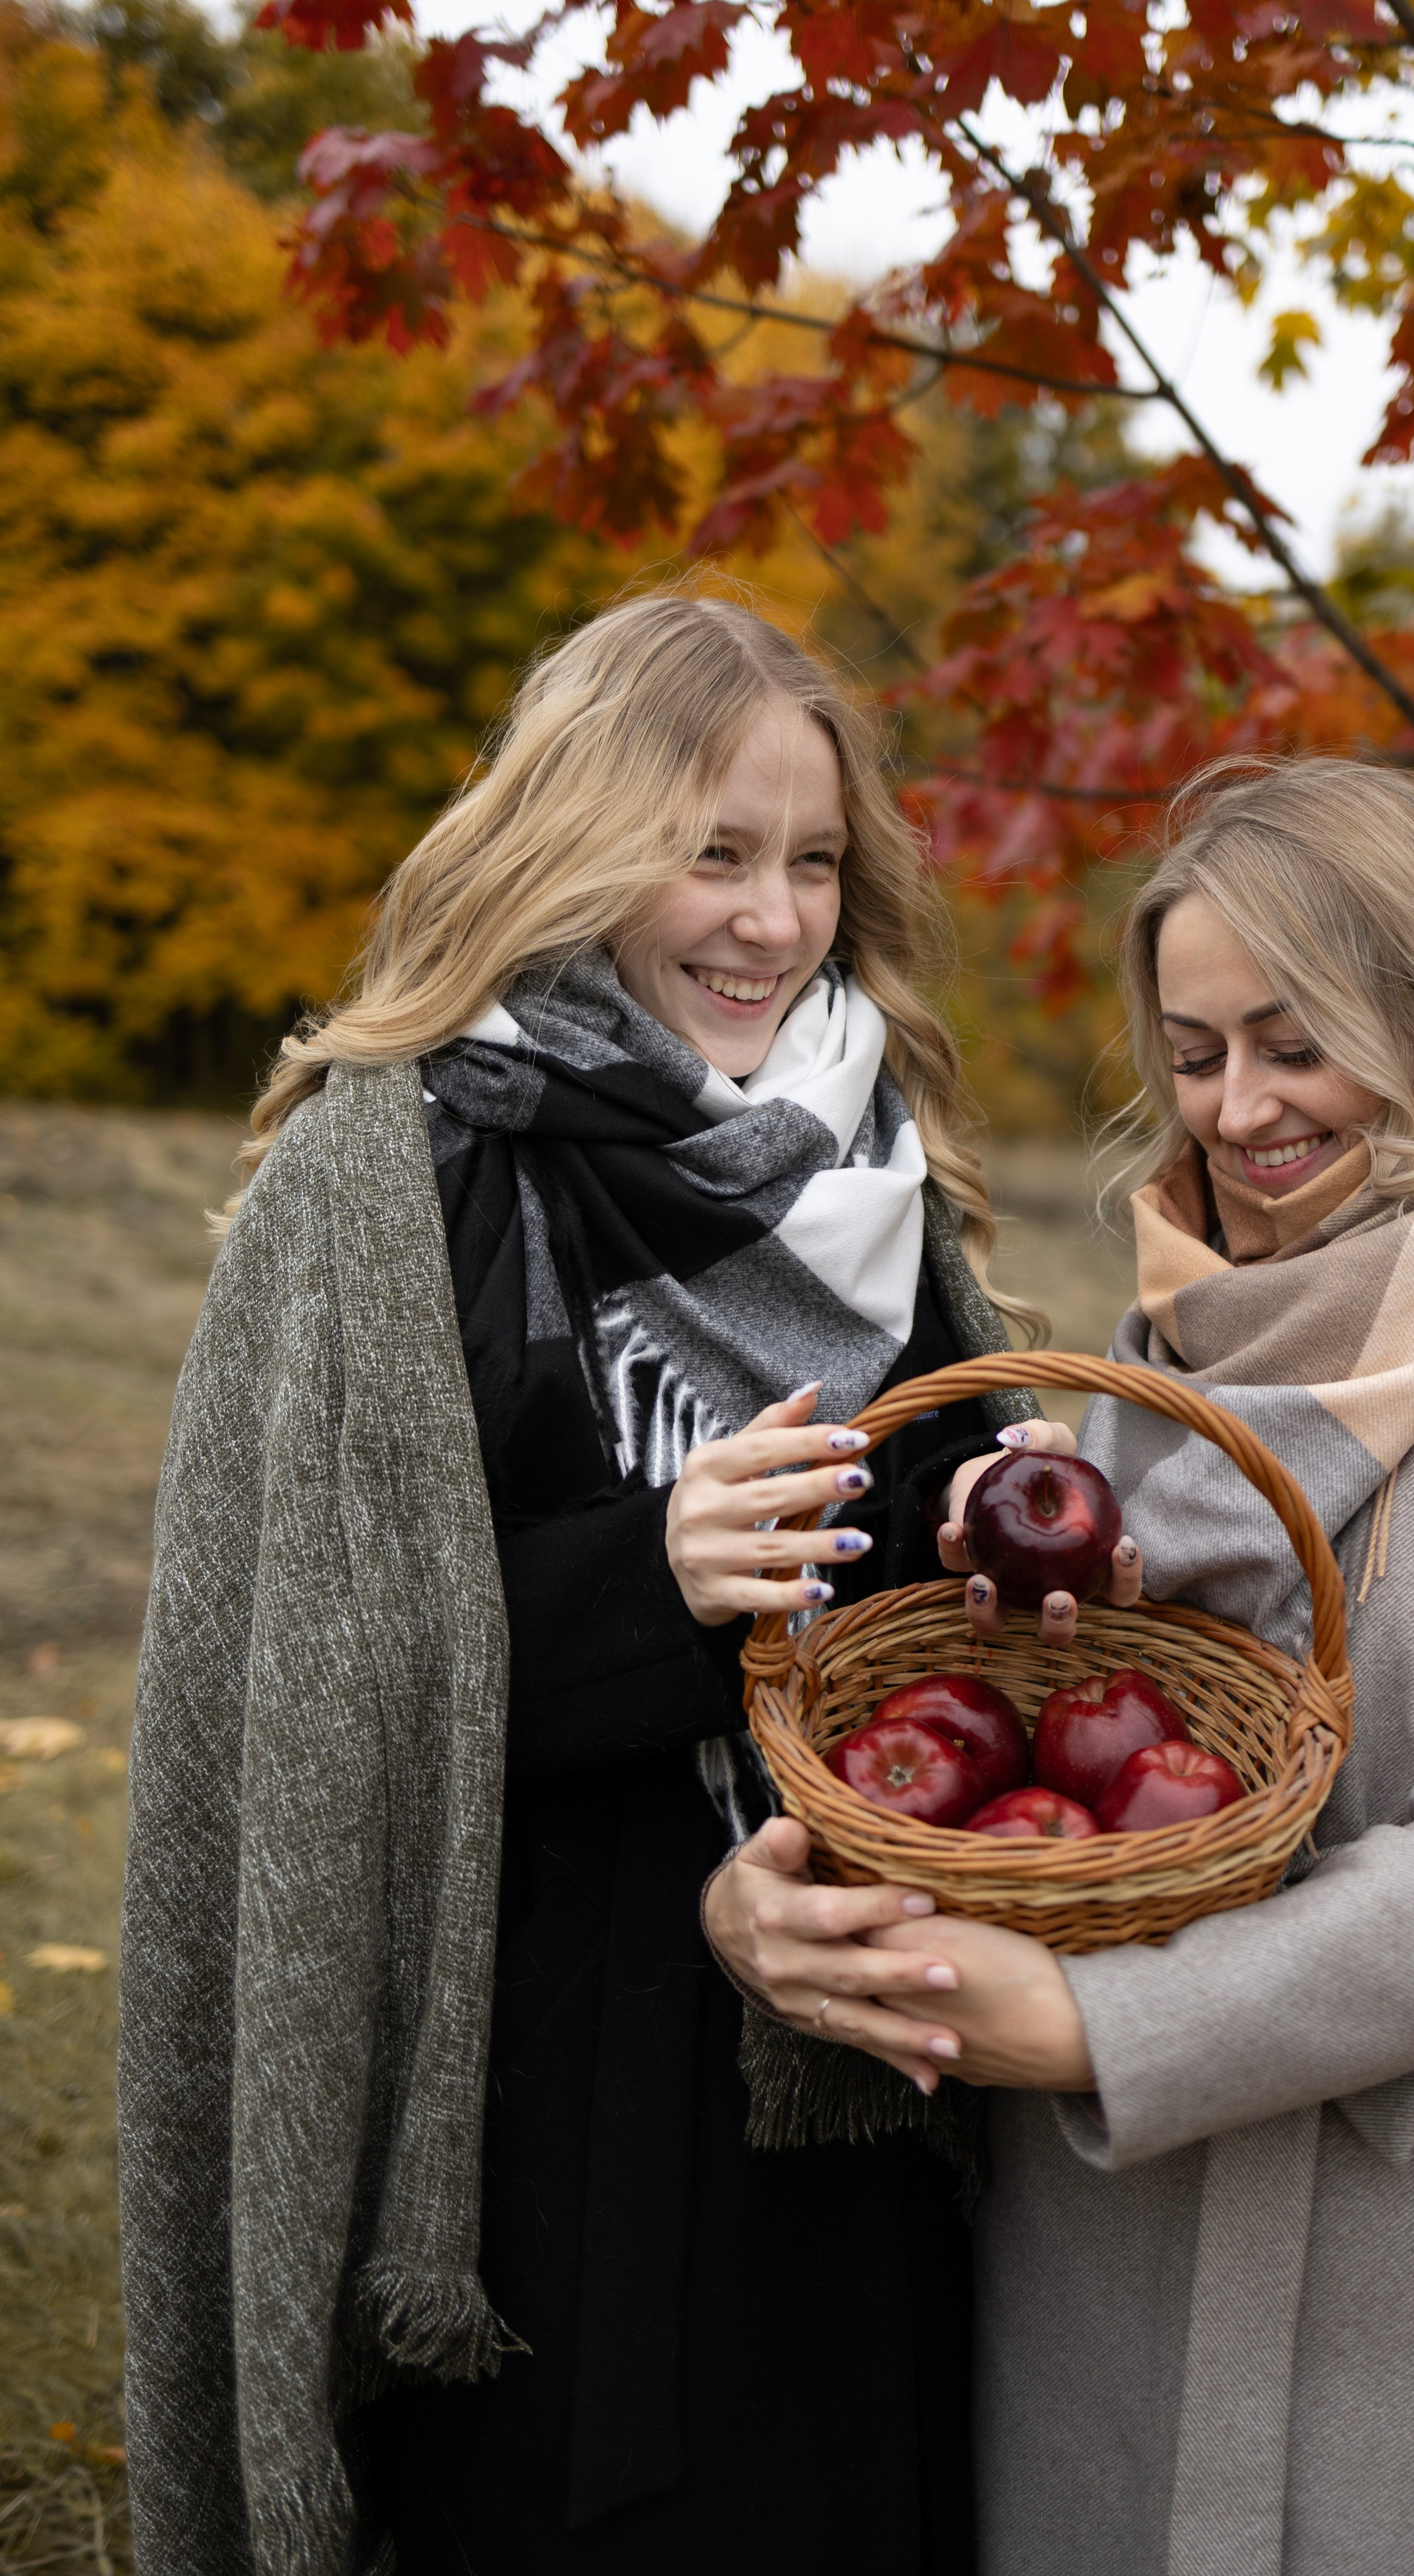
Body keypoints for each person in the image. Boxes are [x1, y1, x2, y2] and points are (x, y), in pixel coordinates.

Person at [717, 757, 1414, 2576]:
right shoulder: (1177, 1336)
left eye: (1298, 1043)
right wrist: (812, 1914)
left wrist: (1097, 2027)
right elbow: (1070, 1766)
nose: (1238, 1110)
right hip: (1102, 2273)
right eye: (1197, 1051)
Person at [117, 592, 1062, 2576]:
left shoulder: (867, 1163)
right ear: (576, 833)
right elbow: (309, 1691)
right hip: (540, 2080)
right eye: (710, 851)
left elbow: (899, 1575)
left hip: (850, 2055)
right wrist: (654, 1575)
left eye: (812, 863)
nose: (772, 919)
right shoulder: (394, 1170)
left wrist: (984, 1524)